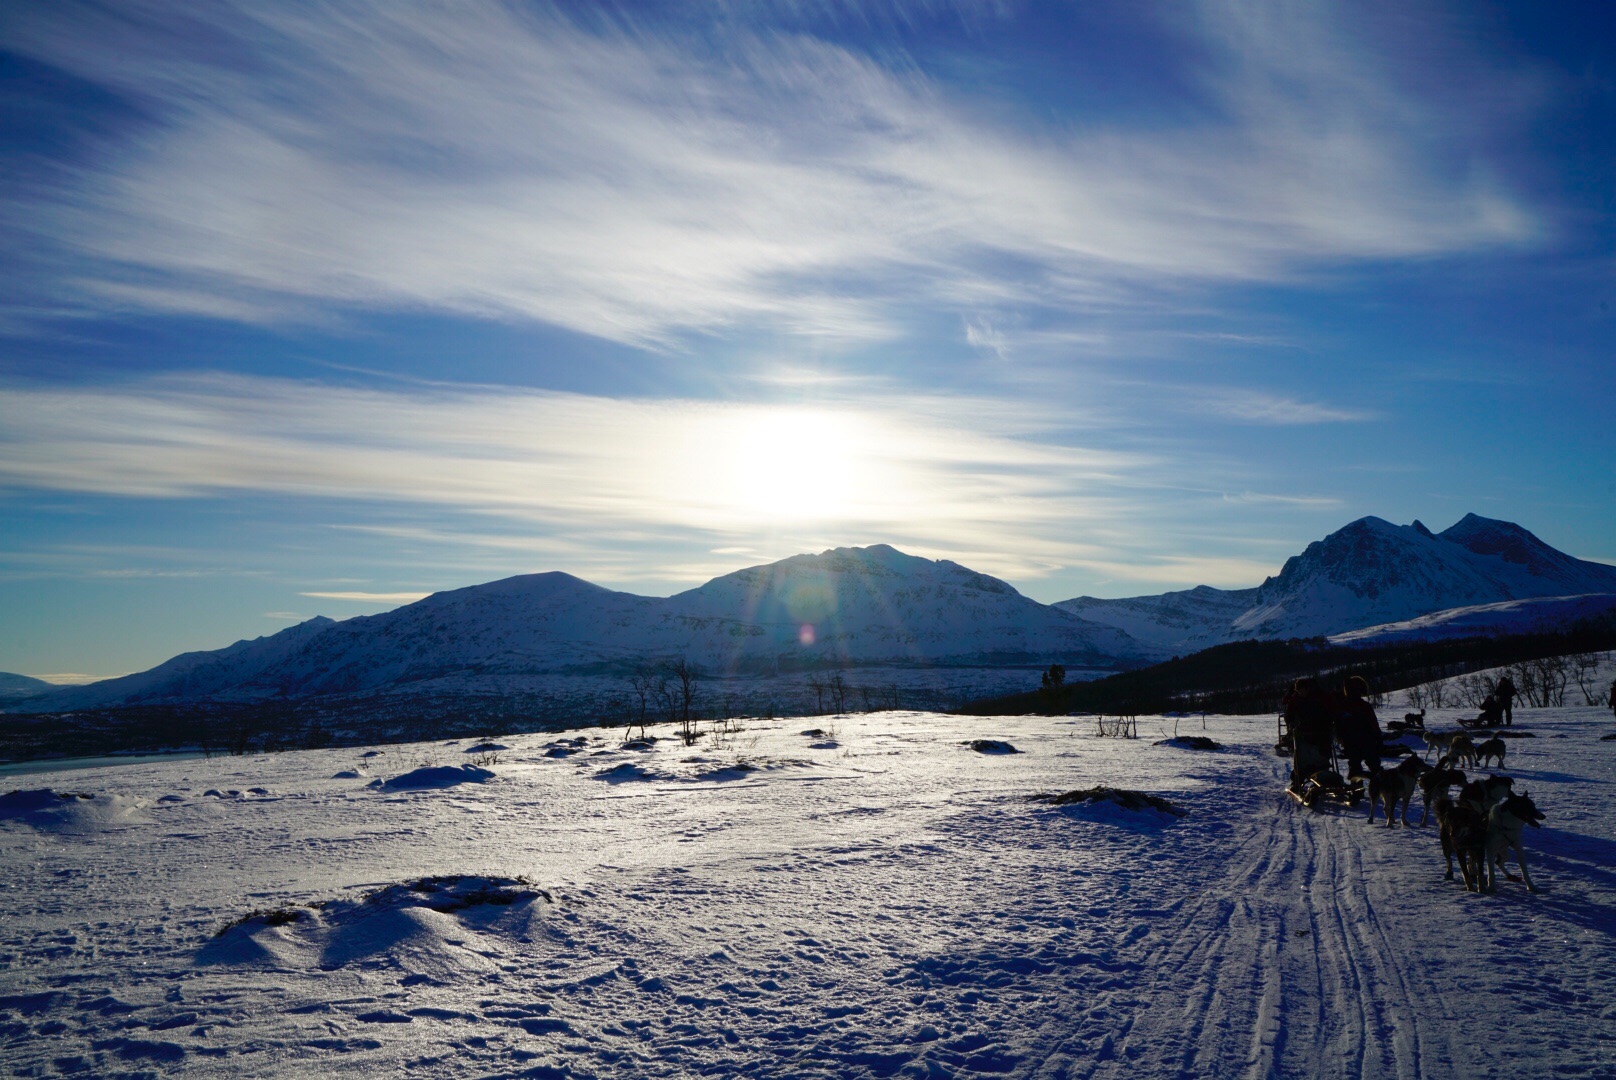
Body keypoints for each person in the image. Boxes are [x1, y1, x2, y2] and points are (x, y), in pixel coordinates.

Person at [1285, 677, 1334, 794]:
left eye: (1303, 690)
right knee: (1301, 756)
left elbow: (1330, 710)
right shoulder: (1295, 699)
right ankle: (1297, 780)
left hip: (1321, 731)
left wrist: (1330, 722)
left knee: (1322, 753)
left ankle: (1324, 775)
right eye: (1299, 691)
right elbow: (1288, 714)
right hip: (1303, 732)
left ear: (1308, 688)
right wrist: (1291, 723)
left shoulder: (1319, 697)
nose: (1301, 693)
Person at [1337, 675, 1383, 780]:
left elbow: (1339, 725)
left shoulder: (1343, 706)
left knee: (1355, 768)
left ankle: (1356, 791)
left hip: (1350, 741)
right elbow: (1374, 724)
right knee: (1374, 766)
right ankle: (1383, 786)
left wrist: (1341, 739)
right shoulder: (1364, 706)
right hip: (1367, 740)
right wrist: (1378, 739)